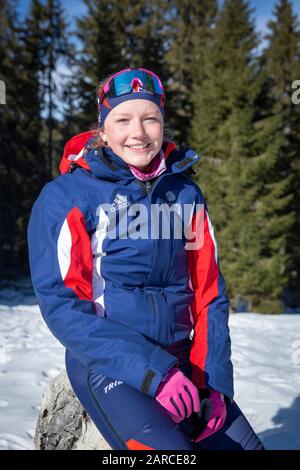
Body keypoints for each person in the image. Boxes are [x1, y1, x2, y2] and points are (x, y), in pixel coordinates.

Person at [27, 67, 264, 451]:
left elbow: (209, 295)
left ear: (163, 124)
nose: (138, 132)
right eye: (122, 119)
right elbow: (64, 307)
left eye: (150, 118)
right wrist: (153, 374)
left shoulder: (186, 194)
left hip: (183, 358)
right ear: (103, 129)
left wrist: (214, 382)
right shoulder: (67, 196)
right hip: (107, 364)